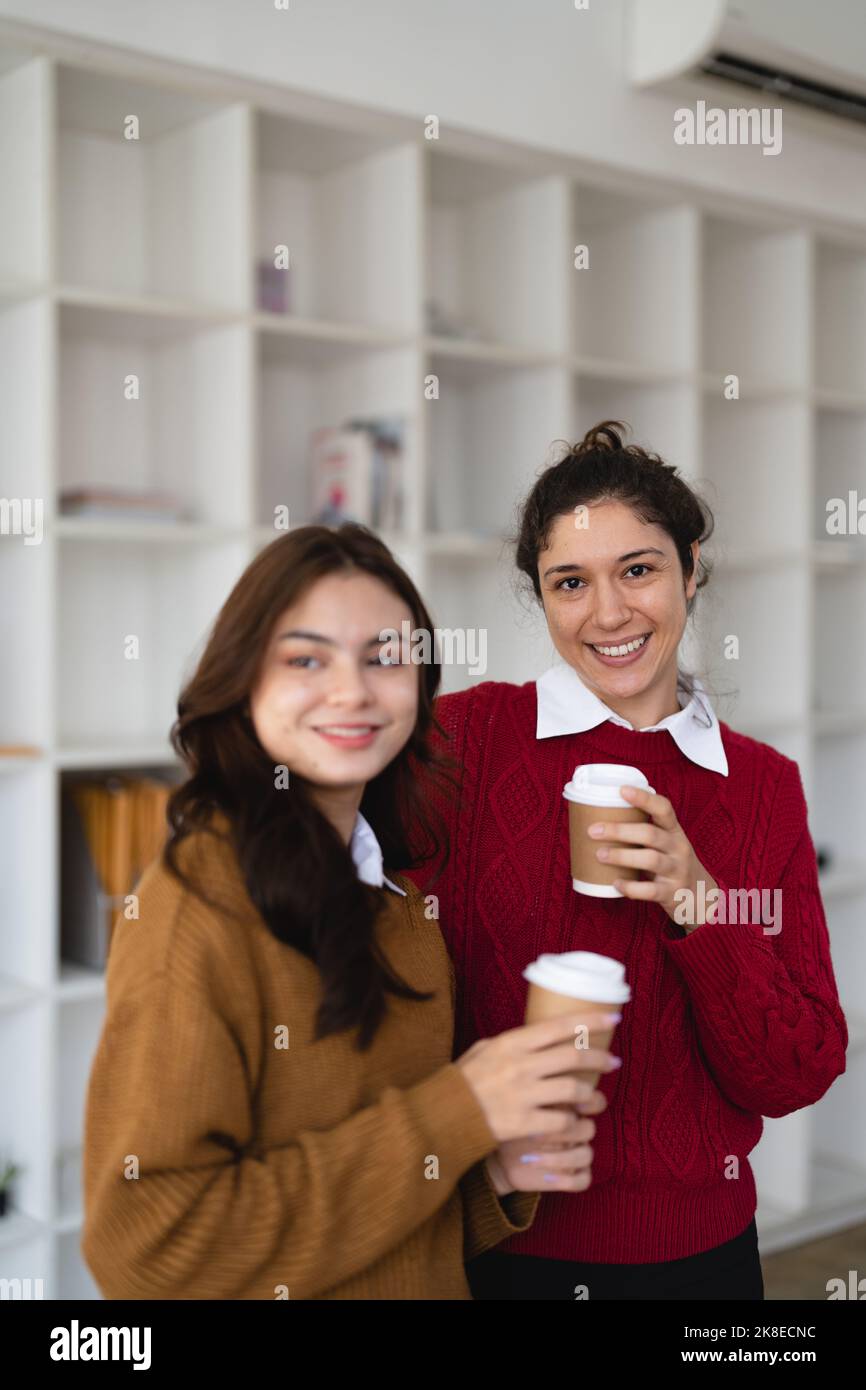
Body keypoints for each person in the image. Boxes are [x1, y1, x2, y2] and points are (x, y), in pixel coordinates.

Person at [80, 524, 620, 1300]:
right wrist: (458, 1110)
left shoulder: (397, 902)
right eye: (306, 658)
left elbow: (384, 1230)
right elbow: (150, 1251)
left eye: (384, 658)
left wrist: (492, 1168)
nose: (352, 691)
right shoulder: (194, 912)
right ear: (243, 683)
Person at [403, 419, 849, 1301]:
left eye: (638, 569)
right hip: (500, 1247)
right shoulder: (466, 740)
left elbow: (797, 1067)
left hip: (702, 1263)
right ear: (541, 597)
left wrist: (698, 900)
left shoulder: (762, 787)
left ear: (692, 572)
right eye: (571, 582)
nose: (608, 614)